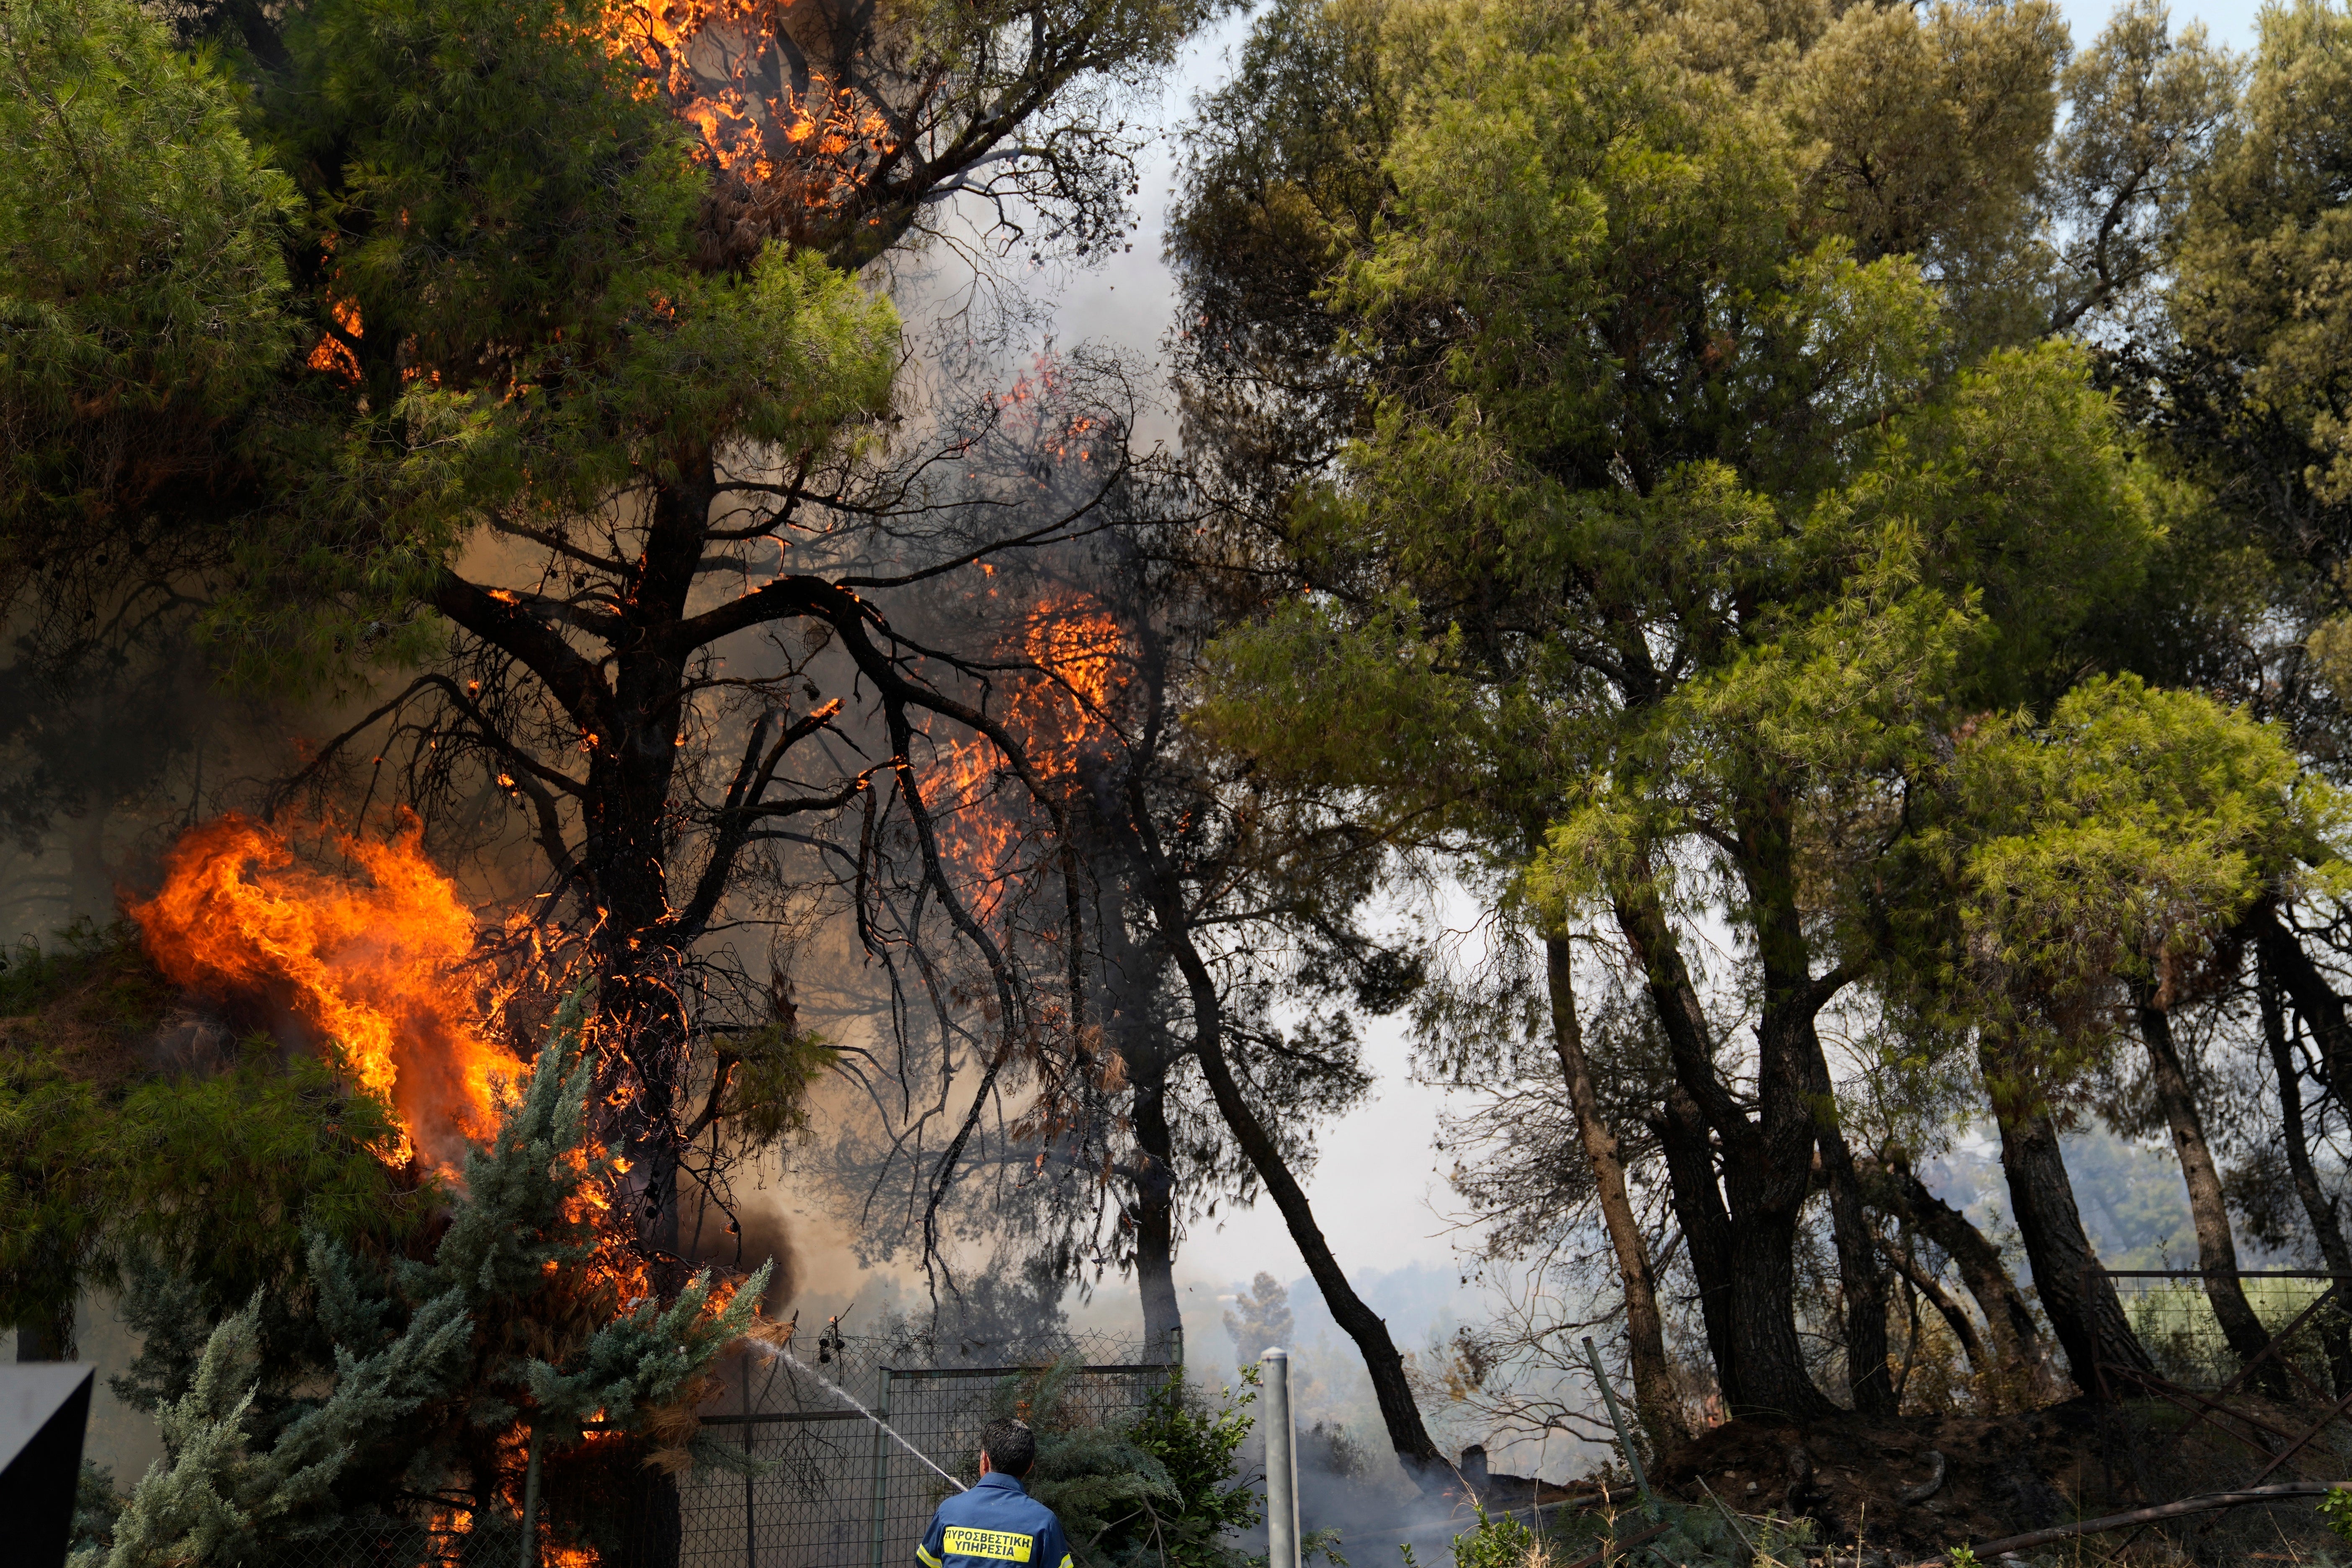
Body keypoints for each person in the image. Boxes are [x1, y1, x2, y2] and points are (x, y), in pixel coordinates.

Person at [918, 1417, 1073, 1568]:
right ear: (1029, 1467)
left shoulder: (949, 1511)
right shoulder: (1044, 1521)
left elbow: (927, 1563)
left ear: (985, 1460)